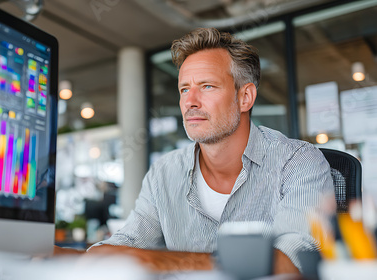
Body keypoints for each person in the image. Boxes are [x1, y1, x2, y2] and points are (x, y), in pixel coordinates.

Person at [71, 28, 333, 274]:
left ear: (245, 98)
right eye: (184, 89)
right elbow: (127, 242)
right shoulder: (164, 172)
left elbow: (292, 263)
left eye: (207, 86)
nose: (190, 102)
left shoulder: (298, 162)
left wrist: (161, 260)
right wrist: (57, 255)